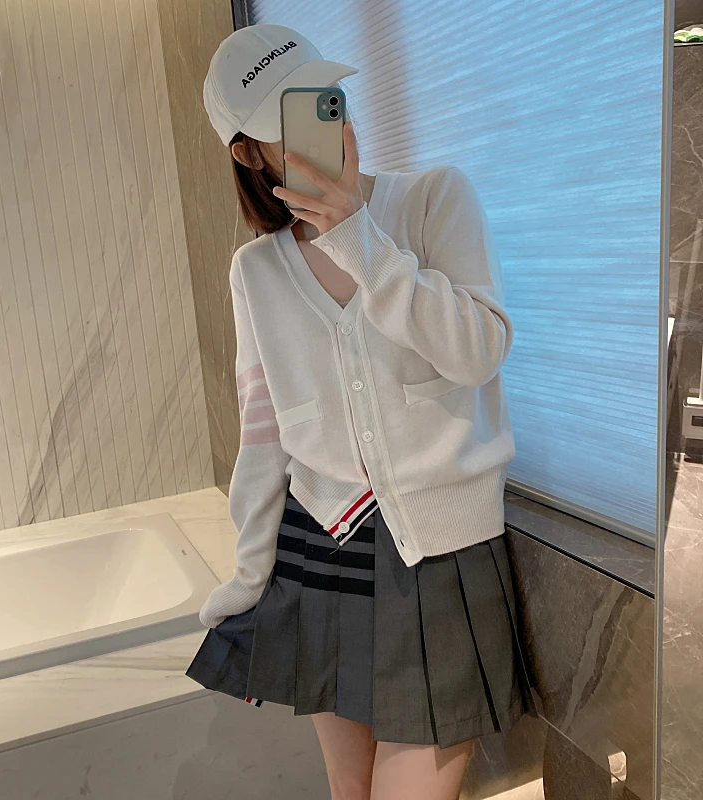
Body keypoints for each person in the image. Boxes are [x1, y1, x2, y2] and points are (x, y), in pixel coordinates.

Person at [186, 22, 534, 800]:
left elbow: (479, 351)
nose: (327, 119)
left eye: (326, 95)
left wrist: (357, 237)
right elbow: (264, 435)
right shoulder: (256, 271)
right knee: (352, 791)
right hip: (320, 546)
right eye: (290, 115)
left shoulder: (433, 200)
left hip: (437, 553)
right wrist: (249, 573)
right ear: (249, 153)